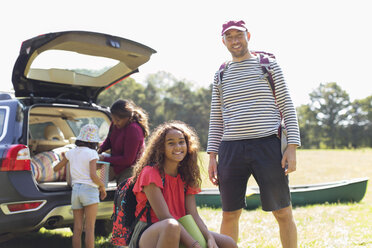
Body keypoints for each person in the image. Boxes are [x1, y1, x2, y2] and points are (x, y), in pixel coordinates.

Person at [207, 20, 301, 248]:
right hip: (231, 149)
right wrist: (212, 156)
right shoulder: (220, 73)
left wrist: (292, 147)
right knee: (229, 213)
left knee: (282, 211)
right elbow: (216, 117)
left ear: (248, 35)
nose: (234, 40)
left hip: (267, 145)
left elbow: (287, 105)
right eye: (229, 37)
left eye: (238, 35)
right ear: (223, 41)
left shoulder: (268, 65)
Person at [129, 121, 237, 248]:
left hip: (182, 227)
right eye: (171, 143)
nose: (178, 147)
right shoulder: (150, 173)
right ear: (161, 148)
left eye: (181, 142)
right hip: (152, 230)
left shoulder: (186, 175)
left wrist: (209, 238)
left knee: (228, 243)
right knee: (171, 226)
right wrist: (194, 244)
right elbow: (164, 217)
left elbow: (193, 215)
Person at [54, 124, 107, 248]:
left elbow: (56, 168)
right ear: (94, 141)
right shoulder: (92, 154)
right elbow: (93, 176)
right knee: (89, 228)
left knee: (77, 228)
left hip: (76, 191)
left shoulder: (71, 152)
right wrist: (102, 187)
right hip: (89, 190)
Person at [98, 99, 149, 185]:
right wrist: (99, 149)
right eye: (113, 119)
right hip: (117, 165)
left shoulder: (133, 129)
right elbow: (109, 141)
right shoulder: (115, 124)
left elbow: (128, 160)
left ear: (128, 118)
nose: (115, 122)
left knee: (123, 196)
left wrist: (104, 159)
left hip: (130, 169)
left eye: (117, 120)